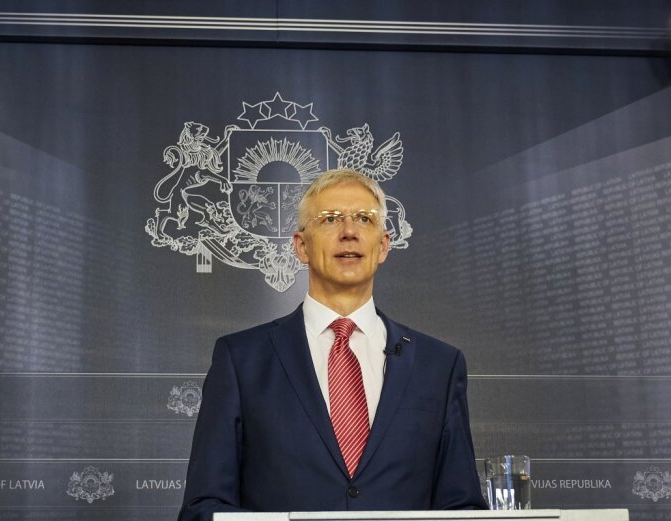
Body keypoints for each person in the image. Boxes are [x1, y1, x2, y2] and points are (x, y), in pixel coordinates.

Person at [178, 169, 486, 521]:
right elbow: (203, 509)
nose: (349, 232)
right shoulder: (241, 360)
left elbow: (462, 508)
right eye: (330, 219)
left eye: (365, 219)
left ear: (383, 246)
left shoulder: (439, 366)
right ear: (301, 246)